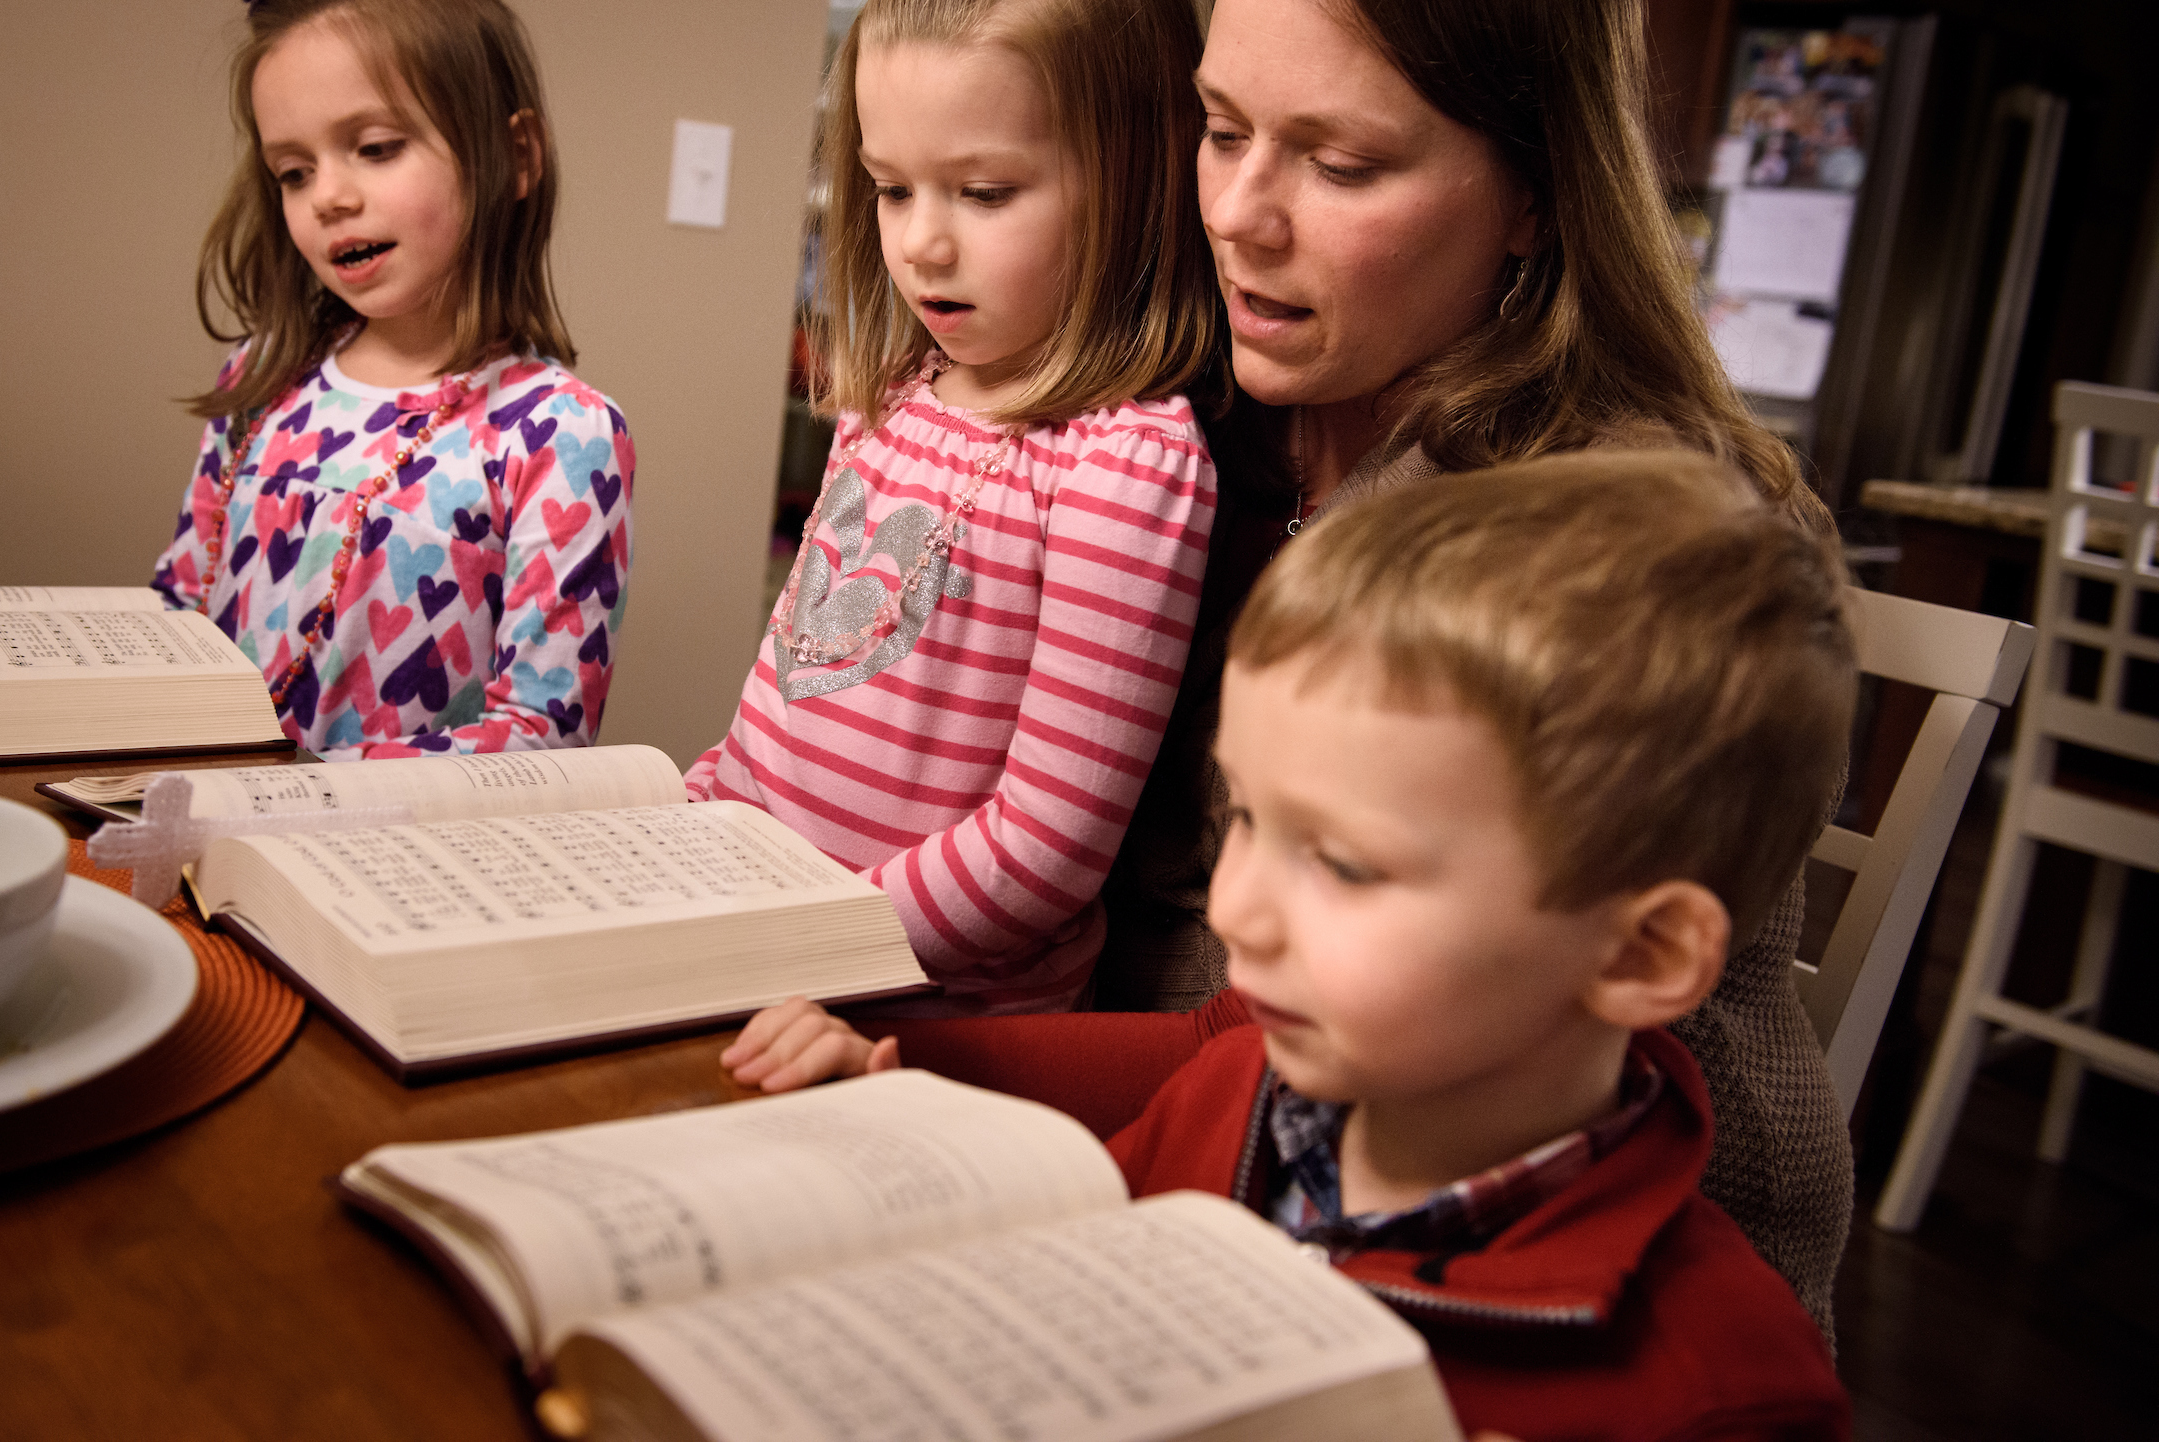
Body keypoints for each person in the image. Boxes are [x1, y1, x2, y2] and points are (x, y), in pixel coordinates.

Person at [1090, 0, 1855, 1335]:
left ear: (1533, 194)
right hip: (1222, 1139)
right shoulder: (1217, 430)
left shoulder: (1630, 527)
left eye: (1339, 161)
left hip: (1543, 1293)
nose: (1241, 212)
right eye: (1221, 127)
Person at [726, 451, 1854, 1442]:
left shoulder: (1717, 1392)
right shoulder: (1236, 1094)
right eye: (1252, 822)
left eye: (1347, 866)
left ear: (1640, 955)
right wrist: (895, 1083)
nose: (1237, 915)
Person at [684, 0, 1222, 1014]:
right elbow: (790, 682)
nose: (921, 246)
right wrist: (700, 809)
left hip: (921, 1016)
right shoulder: (892, 394)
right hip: (764, 946)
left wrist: (815, 942)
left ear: (1136, 182)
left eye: (982, 192)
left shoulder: (1125, 465)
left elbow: (1044, 848)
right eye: (890, 189)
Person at [151, 0, 631, 760]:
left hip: (389, 876)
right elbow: (177, 607)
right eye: (294, 171)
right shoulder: (258, 380)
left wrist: (302, 794)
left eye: (373, 147)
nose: (329, 195)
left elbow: (537, 736)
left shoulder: (562, 435)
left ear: (515, 157)